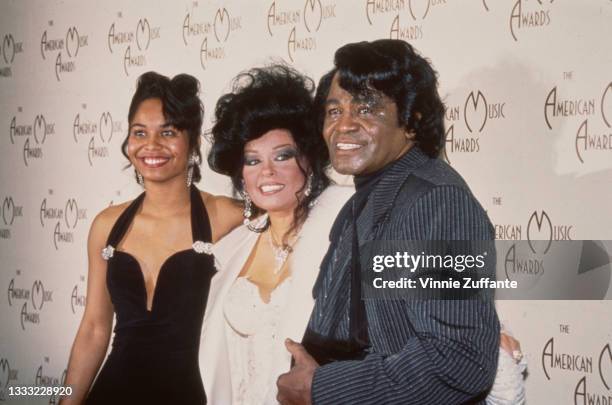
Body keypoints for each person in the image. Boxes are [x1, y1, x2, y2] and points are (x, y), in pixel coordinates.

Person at [276, 39, 502, 404]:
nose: (343, 126)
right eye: (334, 111)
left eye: (366, 109)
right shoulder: (372, 196)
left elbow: (457, 359)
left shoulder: (434, 201)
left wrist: (321, 389)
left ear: (411, 122)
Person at [61, 72, 242, 404]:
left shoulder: (228, 216)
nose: (152, 145)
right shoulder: (107, 224)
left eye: (168, 132)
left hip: (190, 394)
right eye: (139, 132)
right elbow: (94, 328)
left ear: (193, 143)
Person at [200, 65, 353, 404]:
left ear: (309, 159)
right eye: (252, 161)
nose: (266, 171)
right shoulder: (230, 249)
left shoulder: (349, 219)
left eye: (282, 156)